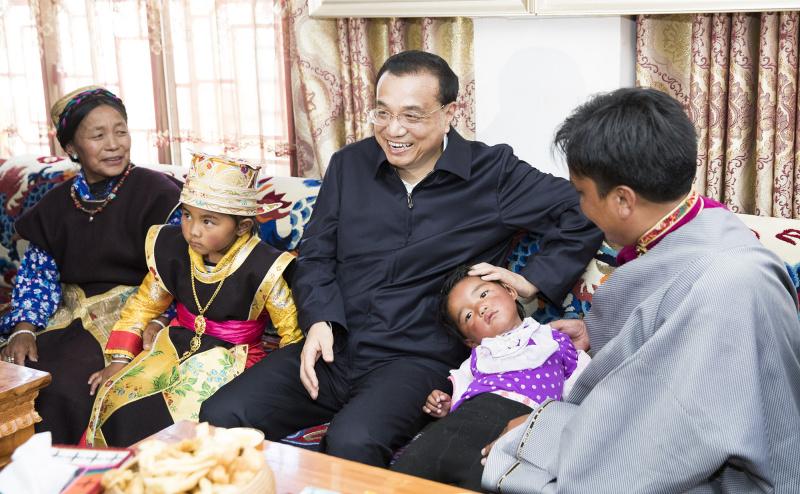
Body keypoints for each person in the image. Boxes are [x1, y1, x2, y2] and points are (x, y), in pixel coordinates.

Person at [199, 50, 604, 467]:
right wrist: (319, 320)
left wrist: (532, 280)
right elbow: (316, 253)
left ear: (449, 114)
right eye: (383, 113)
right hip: (337, 344)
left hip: (416, 360)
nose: (394, 130)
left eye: (412, 116)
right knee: (219, 417)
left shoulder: (492, 173)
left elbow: (586, 209)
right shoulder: (349, 165)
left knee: (351, 443)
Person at [481, 87, 800, 493]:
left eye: (581, 193)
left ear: (623, 200)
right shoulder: (702, 224)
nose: (580, 207)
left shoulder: (728, 284)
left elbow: (667, 433)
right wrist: (593, 332)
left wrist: (540, 434)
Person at [0, 86, 182, 444]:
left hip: (130, 319)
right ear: (71, 148)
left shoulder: (159, 193)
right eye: (98, 136)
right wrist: (23, 329)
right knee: (16, 373)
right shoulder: (56, 204)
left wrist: (159, 321)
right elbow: (37, 276)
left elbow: (179, 274)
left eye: (120, 132)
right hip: (65, 315)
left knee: (64, 386)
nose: (114, 145)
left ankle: (69, 468)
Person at [84, 152, 303, 447]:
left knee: (181, 420)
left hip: (233, 358)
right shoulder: (172, 249)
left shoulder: (265, 268)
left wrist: (277, 387)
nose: (193, 230)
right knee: (117, 397)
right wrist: (120, 360)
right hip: (174, 345)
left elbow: (292, 335)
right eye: (187, 215)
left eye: (208, 221)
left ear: (242, 227)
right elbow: (143, 305)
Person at [390, 264, 580, 491]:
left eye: (483, 294)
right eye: (468, 315)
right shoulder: (478, 356)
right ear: (471, 341)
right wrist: (445, 405)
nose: (480, 308)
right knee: (407, 469)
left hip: (518, 427)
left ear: (510, 291)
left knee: (489, 480)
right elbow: (462, 391)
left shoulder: (555, 340)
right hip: (464, 420)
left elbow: (582, 390)